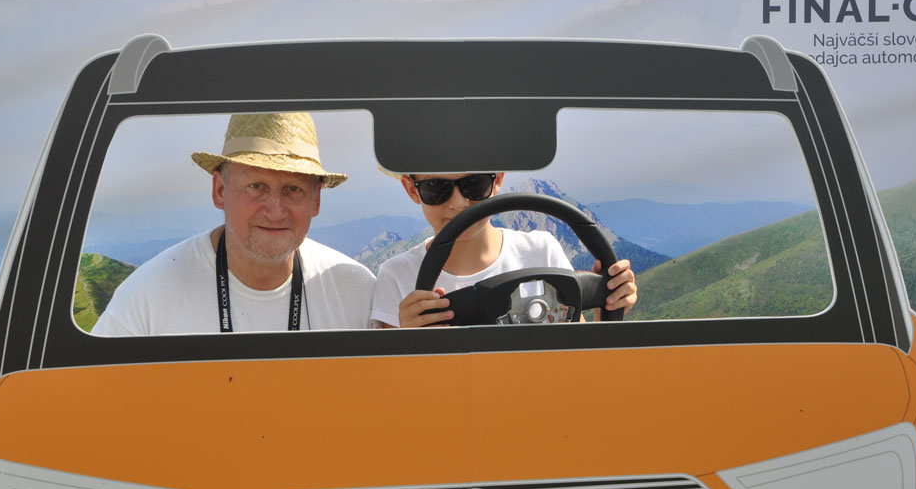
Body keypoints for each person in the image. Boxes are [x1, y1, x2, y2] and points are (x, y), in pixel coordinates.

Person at [94, 112, 375, 336]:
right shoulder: (147, 298)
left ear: (316, 201)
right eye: (256, 186)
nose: (276, 211)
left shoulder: (358, 293)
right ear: (219, 190)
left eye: (293, 189)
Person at [370, 171, 637, 327]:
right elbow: (397, 384)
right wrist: (409, 340)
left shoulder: (542, 250)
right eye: (435, 188)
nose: (458, 203)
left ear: (497, 181)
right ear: (411, 189)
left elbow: (577, 354)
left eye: (474, 185)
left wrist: (606, 311)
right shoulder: (396, 275)